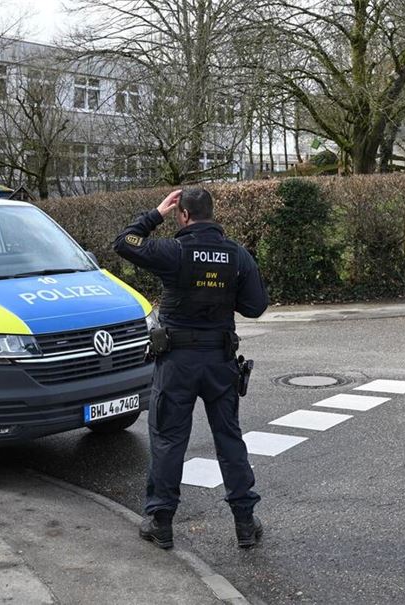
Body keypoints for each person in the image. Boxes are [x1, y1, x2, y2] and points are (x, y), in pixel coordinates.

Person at [113, 188, 269, 549]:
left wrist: (156, 213)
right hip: (220, 362)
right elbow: (255, 306)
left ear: (182, 215)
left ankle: (161, 523)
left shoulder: (173, 251)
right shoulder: (237, 256)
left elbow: (124, 242)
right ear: (212, 214)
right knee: (229, 440)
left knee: (168, 441)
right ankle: (245, 523)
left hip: (177, 363)